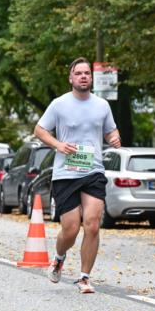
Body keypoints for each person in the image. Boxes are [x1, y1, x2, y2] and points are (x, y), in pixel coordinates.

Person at [34, 57, 121, 294]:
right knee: (71, 229)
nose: (83, 76)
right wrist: (58, 145)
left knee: (92, 225)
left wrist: (114, 138)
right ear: (71, 78)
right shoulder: (59, 104)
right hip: (66, 173)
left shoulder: (102, 105)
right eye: (78, 73)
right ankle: (59, 257)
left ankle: (84, 278)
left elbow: (111, 132)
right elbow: (39, 130)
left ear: (90, 78)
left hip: (93, 170)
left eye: (87, 73)